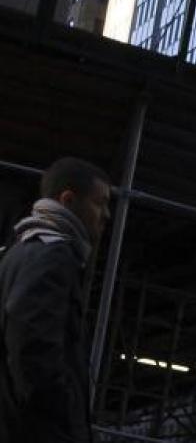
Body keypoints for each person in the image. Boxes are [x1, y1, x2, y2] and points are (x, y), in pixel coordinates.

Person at [0, 157, 112, 443]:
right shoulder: (54, 256)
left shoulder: (19, 251)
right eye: (100, 203)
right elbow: (33, 349)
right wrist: (65, 418)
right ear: (68, 199)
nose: (106, 215)